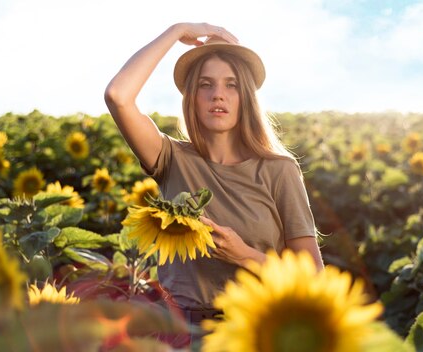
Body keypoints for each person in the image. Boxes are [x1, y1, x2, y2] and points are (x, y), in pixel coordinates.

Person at [104, 22, 324, 345]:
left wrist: (244, 255)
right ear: (191, 97)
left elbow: (314, 280)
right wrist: (176, 31)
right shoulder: (171, 159)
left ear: (245, 97)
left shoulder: (280, 171)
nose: (218, 94)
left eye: (231, 85)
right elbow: (118, 96)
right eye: (205, 84)